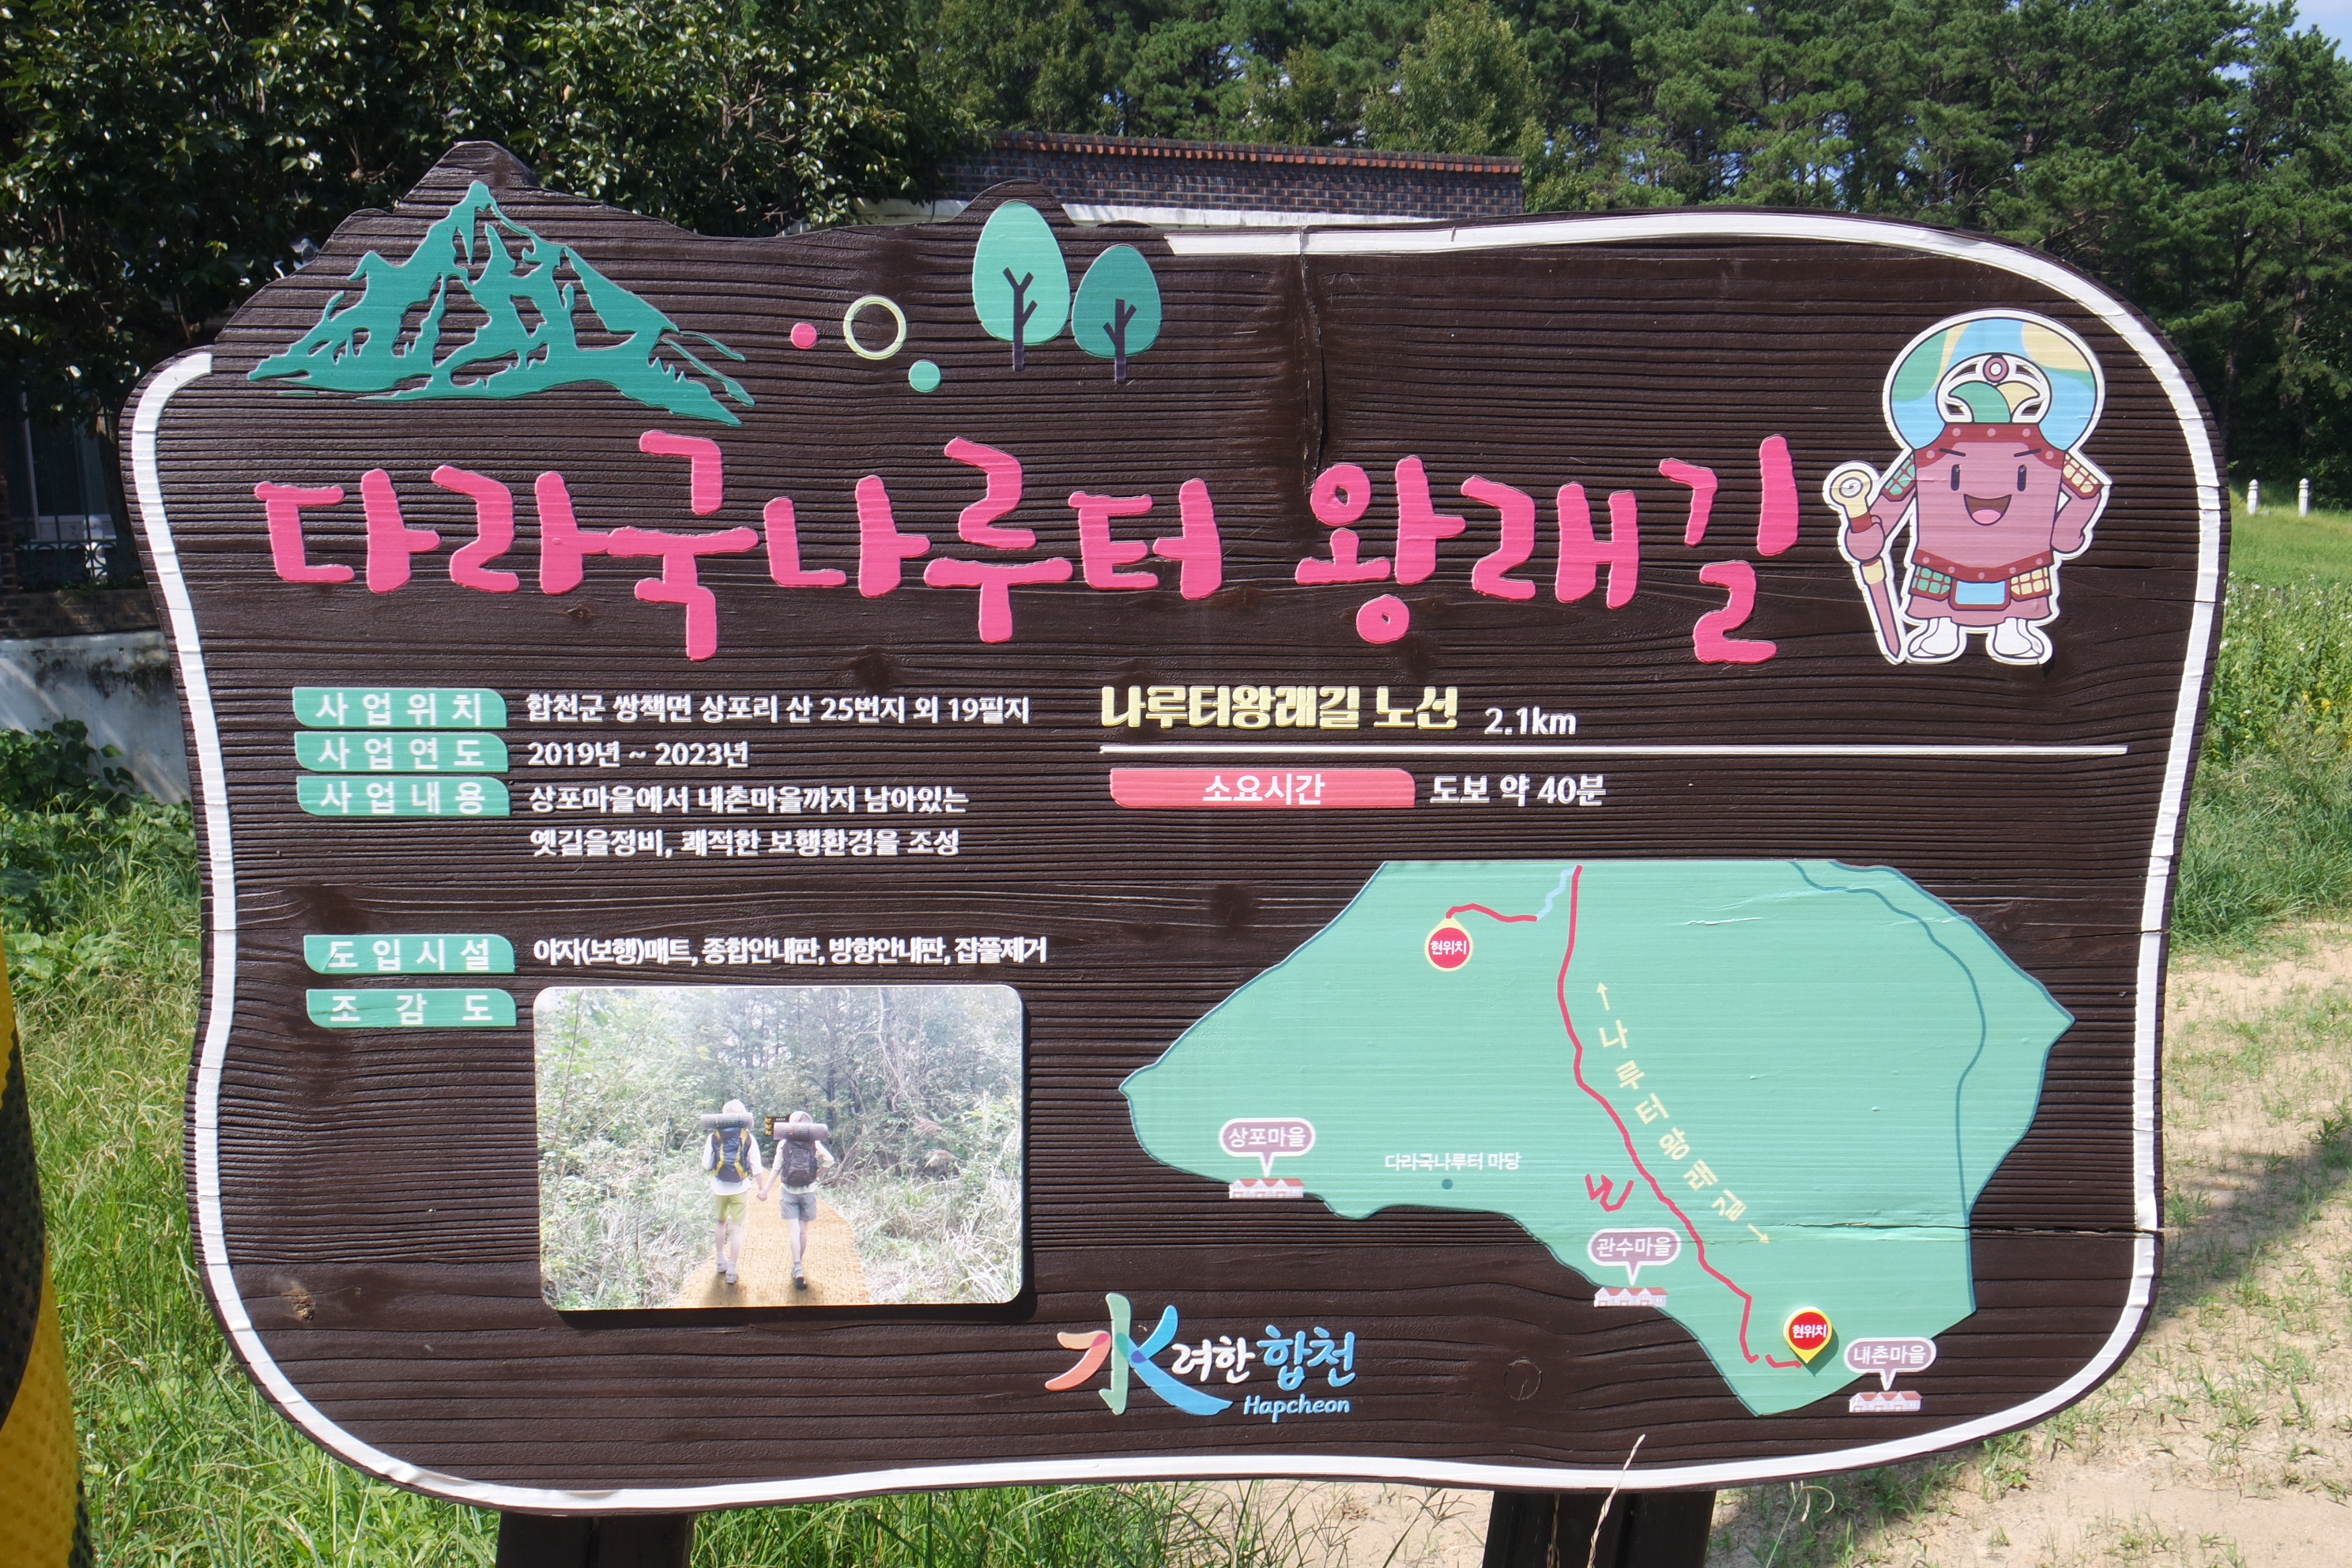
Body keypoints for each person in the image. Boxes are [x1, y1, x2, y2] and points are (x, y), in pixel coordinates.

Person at [756, 1110, 836, 1290]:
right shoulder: (814, 1142)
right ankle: (799, 1266)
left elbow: (776, 1168)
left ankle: (797, 1266)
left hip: (788, 1191)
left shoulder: (784, 1142)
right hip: (808, 1191)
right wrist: (816, 1175)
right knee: (803, 1231)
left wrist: (765, 1190)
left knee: (794, 1230)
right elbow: (829, 1160)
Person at [701, 1099, 763, 1287]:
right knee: (737, 1227)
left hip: (719, 1187)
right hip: (740, 1188)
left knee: (721, 1222)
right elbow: (757, 1166)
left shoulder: (714, 1136)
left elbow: (706, 1164)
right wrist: (762, 1188)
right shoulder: (747, 1137)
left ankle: (720, 1260)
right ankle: (732, 1269)